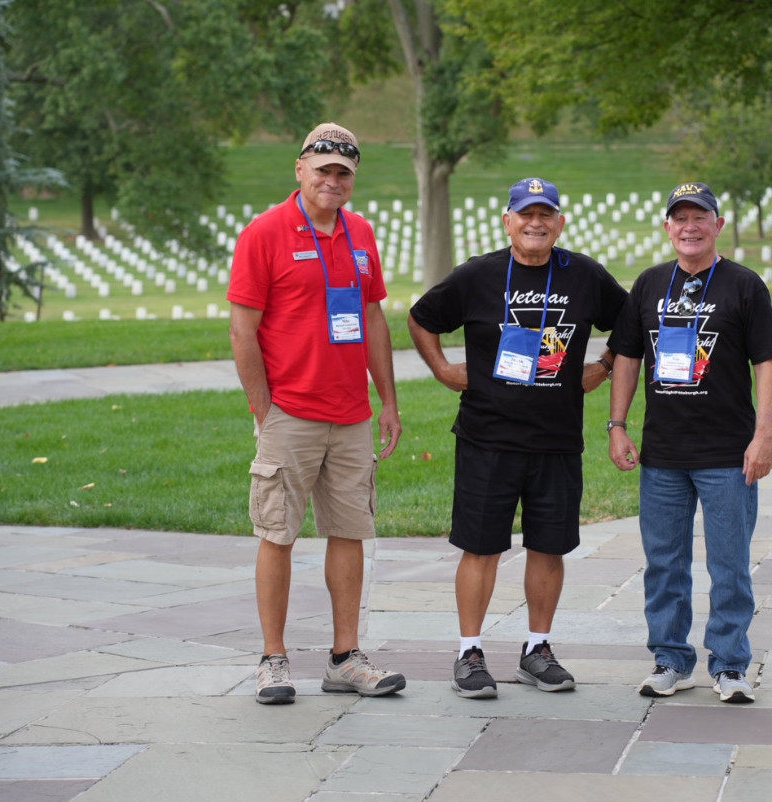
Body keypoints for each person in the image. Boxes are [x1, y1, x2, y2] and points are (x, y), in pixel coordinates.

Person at [408, 177, 626, 699]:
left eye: (545, 214)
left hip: (555, 437)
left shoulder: (584, 275)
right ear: (508, 221)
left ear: (560, 222)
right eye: (525, 214)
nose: (535, 223)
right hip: (488, 435)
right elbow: (421, 318)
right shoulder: (479, 275)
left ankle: (537, 649)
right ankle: (469, 653)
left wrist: (604, 364)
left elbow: (632, 324)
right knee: (480, 548)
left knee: (548, 548)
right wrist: (441, 369)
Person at [227, 123, 405, 704]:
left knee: (351, 531)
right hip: (292, 413)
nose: (332, 180)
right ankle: (273, 661)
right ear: (299, 169)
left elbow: (373, 317)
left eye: (343, 173)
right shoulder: (265, 232)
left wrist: (388, 399)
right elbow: (242, 329)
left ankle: (344, 658)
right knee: (278, 533)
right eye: (322, 169)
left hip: (351, 413)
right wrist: (263, 407)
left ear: (353, 180)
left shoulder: (361, 233)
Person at [607, 181, 772, 704]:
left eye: (699, 217)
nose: (689, 227)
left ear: (717, 225)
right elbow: (626, 358)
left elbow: (767, 364)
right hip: (662, 454)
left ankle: (730, 665)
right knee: (664, 563)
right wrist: (616, 425)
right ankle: (670, 660)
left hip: (729, 456)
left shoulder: (744, 285)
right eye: (679, 218)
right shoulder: (648, 285)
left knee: (729, 564)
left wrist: (763, 436)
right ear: (667, 227)